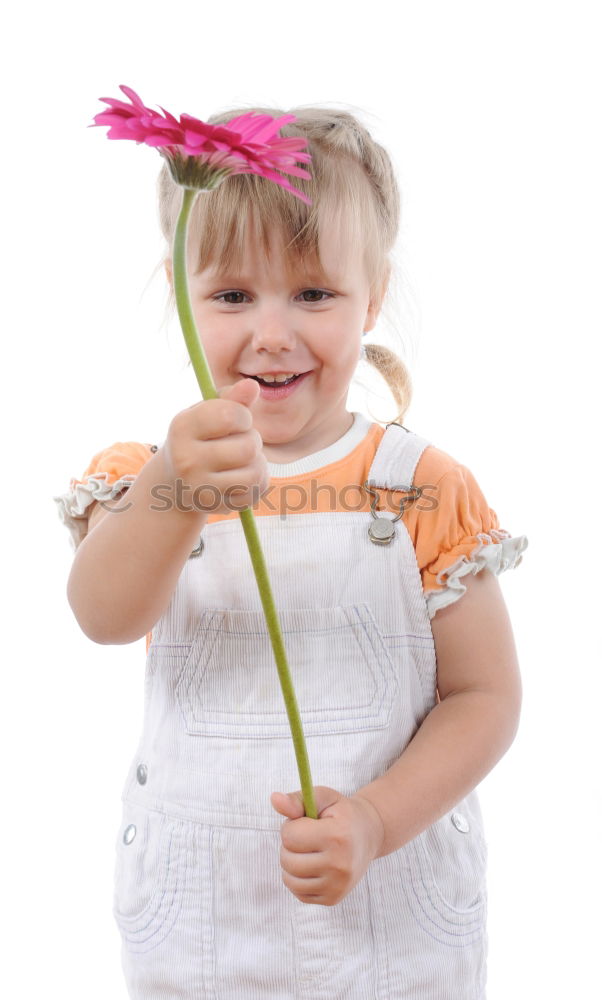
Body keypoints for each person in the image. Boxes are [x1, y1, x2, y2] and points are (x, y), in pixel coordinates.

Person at [53, 105, 528, 999]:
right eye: (233, 295)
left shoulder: (421, 484)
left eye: (313, 293)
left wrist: (377, 821)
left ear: (372, 296)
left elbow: (487, 696)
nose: (272, 332)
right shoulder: (144, 477)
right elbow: (104, 617)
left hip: (387, 923)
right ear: (181, 292)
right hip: (197, 929)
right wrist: (174, 494)